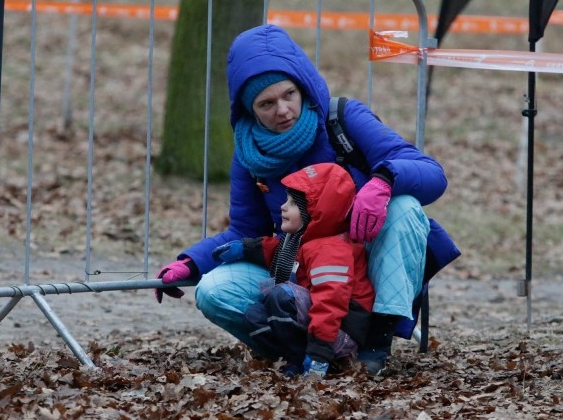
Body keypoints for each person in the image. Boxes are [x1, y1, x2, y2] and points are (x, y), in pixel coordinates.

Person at [155, 23, 459, 375]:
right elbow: (245, 231)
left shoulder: (342, 118)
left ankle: (376, 343)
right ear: (248, 110)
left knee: (404, 207)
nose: (282, 110)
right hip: (304, 273)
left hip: (366, 271)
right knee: (212, 290)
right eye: (266, 103)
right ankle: (311, 356)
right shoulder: (248, 154)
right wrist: (190, 263)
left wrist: (384, 180)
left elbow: (431, 173)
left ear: (303, 87)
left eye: (288, 95)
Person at [212, 162, 373, 378]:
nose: (283, 207)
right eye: (286, 200)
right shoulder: (302, 239)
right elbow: (276, 249)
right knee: (254, 314)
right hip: (319, 327)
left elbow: (330, 303)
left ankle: (308, 360)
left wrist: (320, 352)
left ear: (315, 212)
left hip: (340, 333)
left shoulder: (331, 249)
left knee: (282, 295)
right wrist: (246, 248)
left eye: (293, 203)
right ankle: (291, 359)